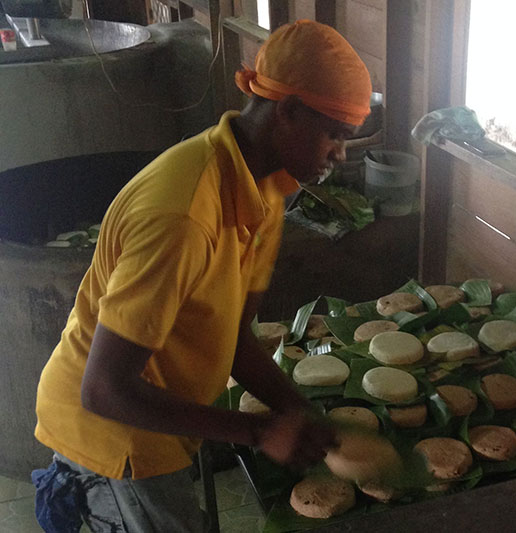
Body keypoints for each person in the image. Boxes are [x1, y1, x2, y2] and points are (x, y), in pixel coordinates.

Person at [31, 19, 372, 533]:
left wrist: (301, 414)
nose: (339, 155)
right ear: (288, 111)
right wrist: (259, 432)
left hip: (158, 411)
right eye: (335, 136)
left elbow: (234, 337)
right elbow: (104, 388)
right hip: (114, 431)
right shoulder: (183, 214)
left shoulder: (267, 189)